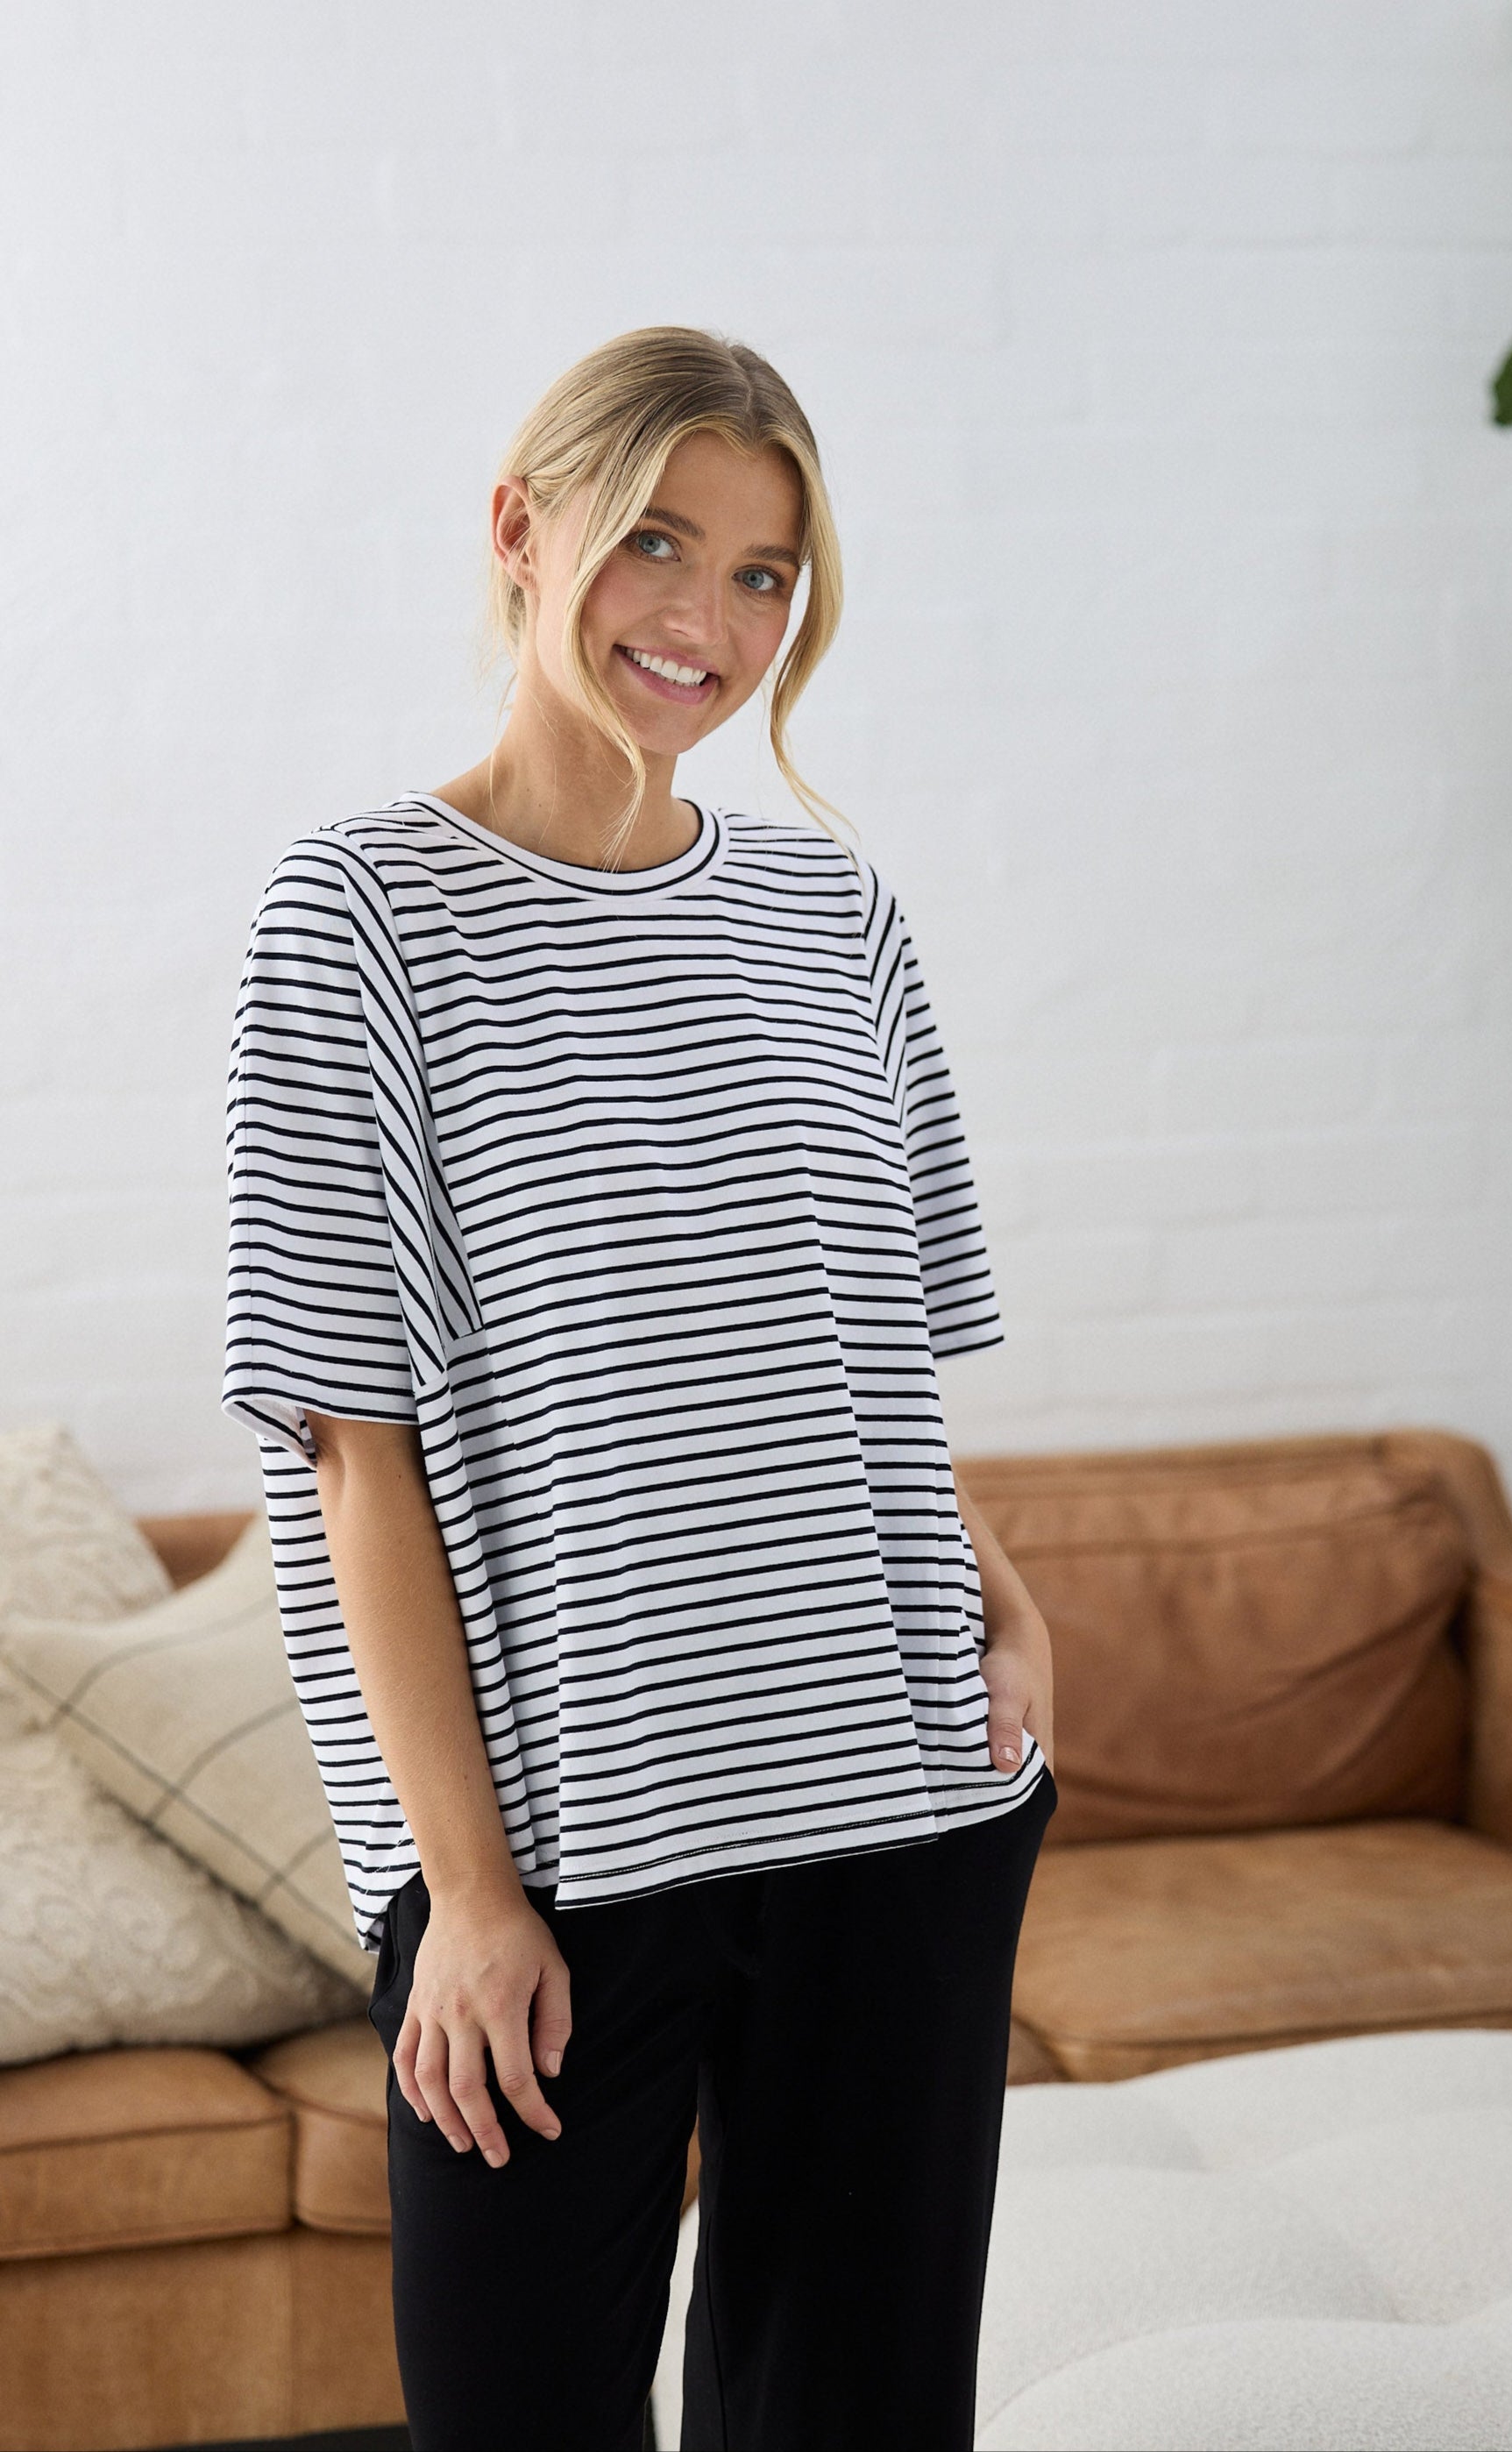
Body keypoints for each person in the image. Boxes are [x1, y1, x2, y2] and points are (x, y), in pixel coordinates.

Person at [223, 325, 1055, 2452]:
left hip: (894, 1792)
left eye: (768, 575)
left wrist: (992, 1570)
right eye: (661, 544)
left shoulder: (831, 911)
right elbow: (353, 1448)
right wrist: (471, 1896)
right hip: (563, 1848)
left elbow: (859, 1336)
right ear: (525, 532)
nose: (710, 622)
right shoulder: (361, 914)